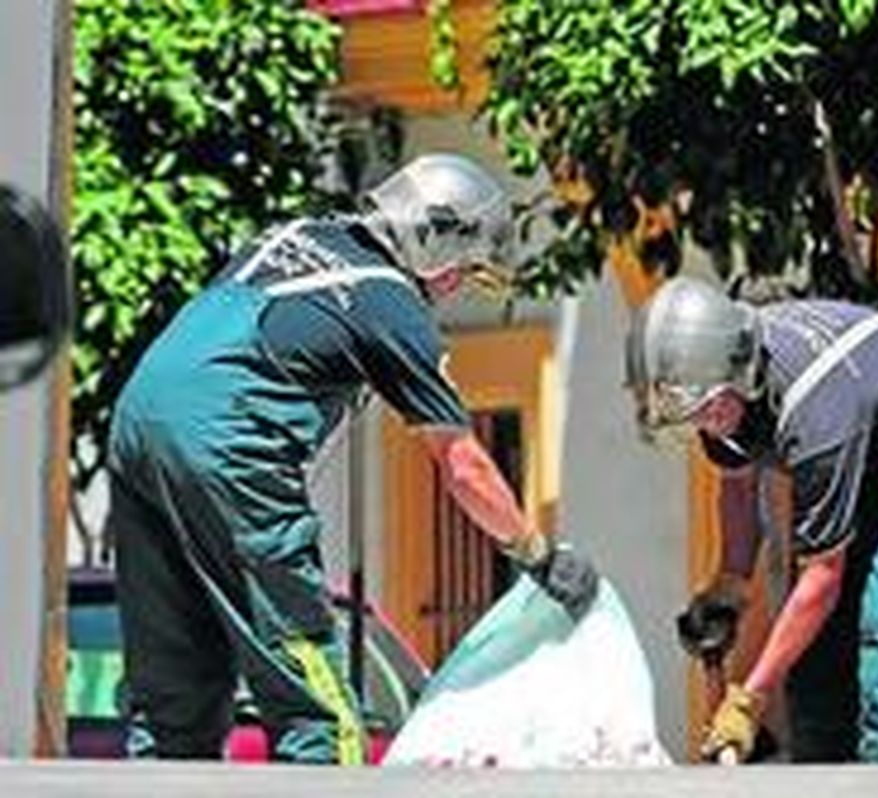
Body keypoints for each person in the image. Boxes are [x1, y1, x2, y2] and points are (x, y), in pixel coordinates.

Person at [107, 153, 598, 763]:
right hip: (231, 442)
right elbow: (464, 466)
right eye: (459, 271)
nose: (452, 289)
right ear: (431, 236)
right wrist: (536, 554)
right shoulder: (390, 304)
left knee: (172, 707)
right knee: (320, 712)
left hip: (136, 422)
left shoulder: (294, 234)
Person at [626, 276, 878, 763]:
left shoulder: (814, 413)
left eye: (707, 410)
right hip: (876, 446)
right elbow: (738, 483)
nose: (704, 424)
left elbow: (822, 579)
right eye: (691, 417)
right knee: (817, 653)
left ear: (737, 373)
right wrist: (731, 582)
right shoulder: (721, 394)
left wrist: (747, 701)